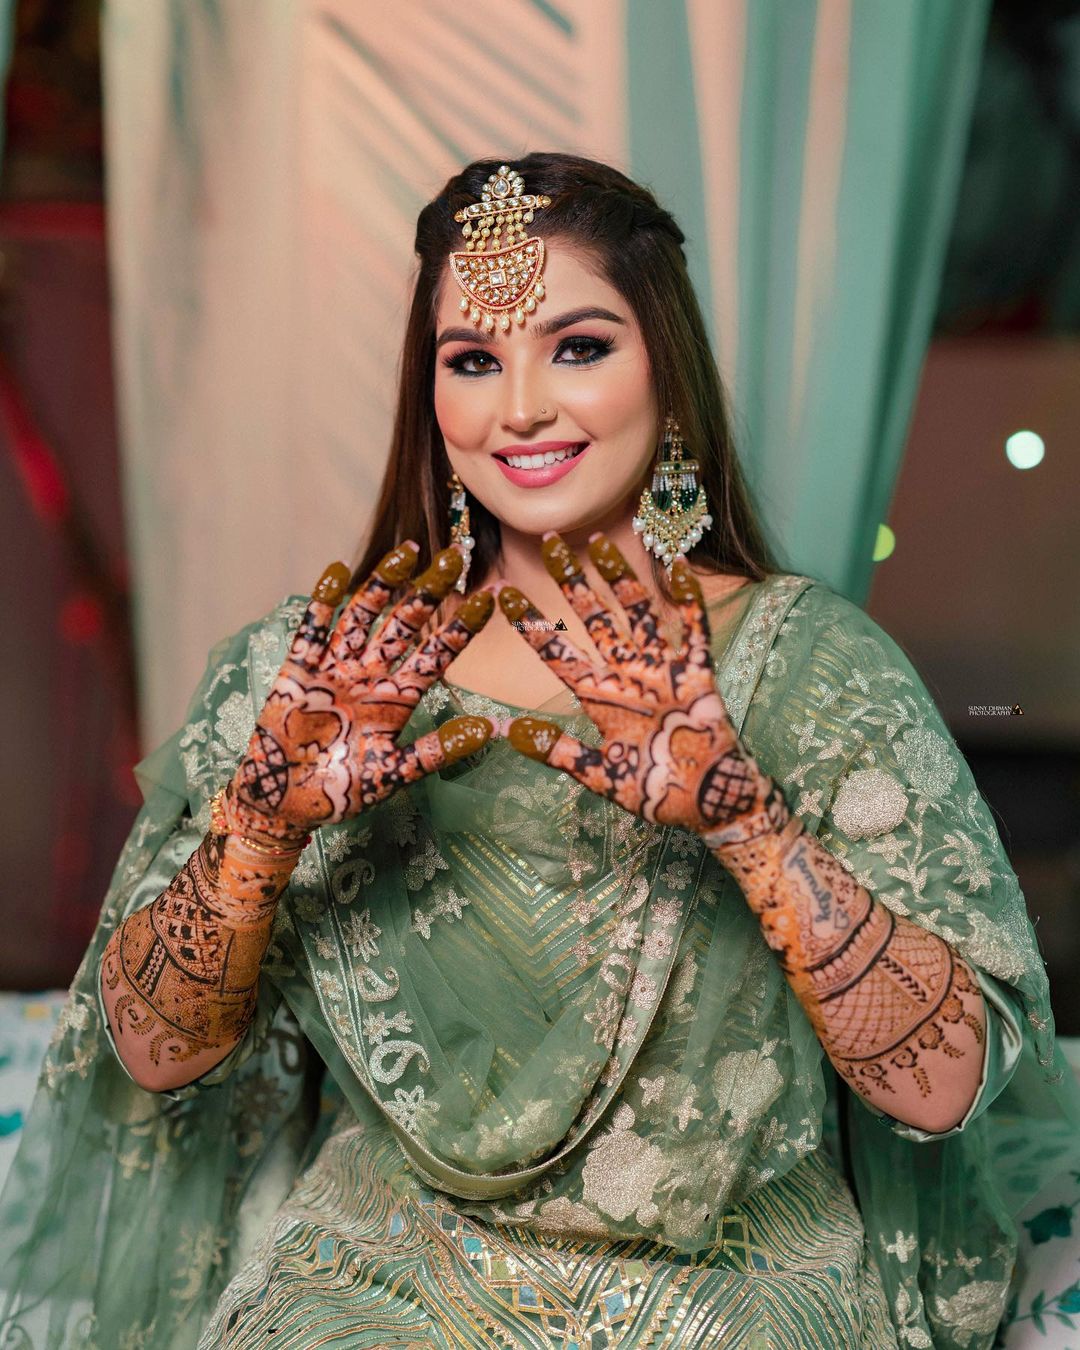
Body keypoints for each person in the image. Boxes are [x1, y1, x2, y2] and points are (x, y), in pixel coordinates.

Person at [1, 152, 1076, 1350]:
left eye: (577, 346)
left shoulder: (811, 668)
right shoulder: (312, 681)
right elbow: (148, 1060)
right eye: (473, 361)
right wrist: (260, 830)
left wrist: (743, 822)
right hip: (373, 1287)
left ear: (667, 372)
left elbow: (939, 1087)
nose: (520, 407)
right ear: (432, 397)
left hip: (734, 1292)